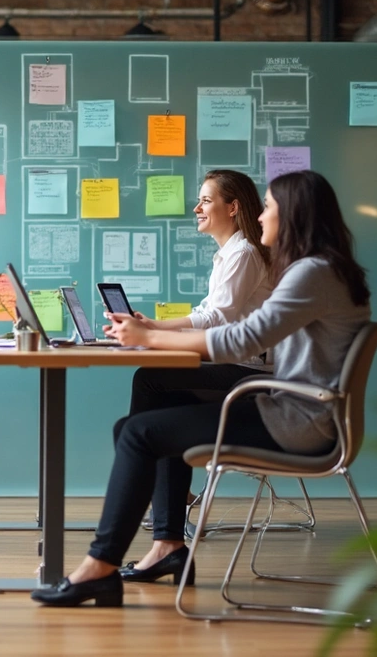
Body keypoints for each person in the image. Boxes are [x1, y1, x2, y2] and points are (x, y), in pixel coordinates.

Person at [31, 171, 371, 607]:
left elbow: (241, 339)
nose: (260, 215)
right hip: (297, 411)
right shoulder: (326, 270)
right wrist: (151, 334)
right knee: (141, 425)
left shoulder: (311, 273)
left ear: (294, 215)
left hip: (296, 421)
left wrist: (150, 337)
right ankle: (166, 546)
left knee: (136, 433)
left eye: (268, 206)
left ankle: (101, 567)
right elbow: (243, 330)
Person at [116, 169, 273, 575]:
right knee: (155, 408)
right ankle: (168, 527)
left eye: (205, 200)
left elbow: (215, 317)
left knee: (148, 383)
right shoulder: (231, 253)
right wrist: (152, 327)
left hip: (247, 376)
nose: (196, 207)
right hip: (235, 368)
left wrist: (152, 330)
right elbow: (210, 315)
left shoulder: (244, 253)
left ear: (233, 207)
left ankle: (152, 478)